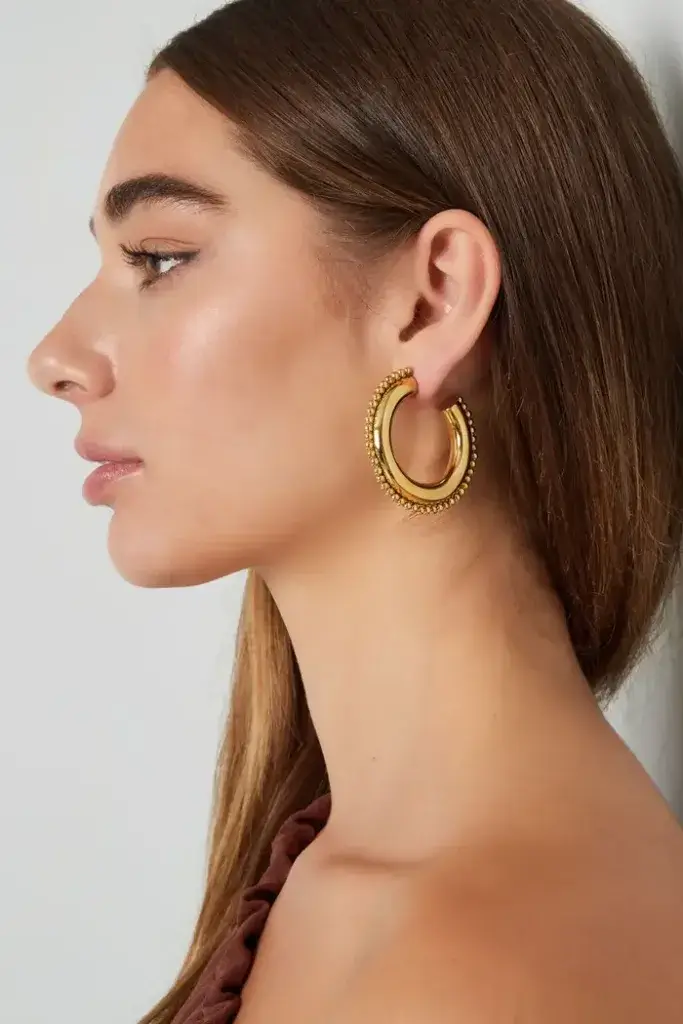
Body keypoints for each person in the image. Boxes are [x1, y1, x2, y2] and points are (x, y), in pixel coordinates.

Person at [27, 0, 683, 1020]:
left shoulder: (487, 967)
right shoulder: (337, 869)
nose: (55, 359)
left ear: (430, 301)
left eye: (158, 258)